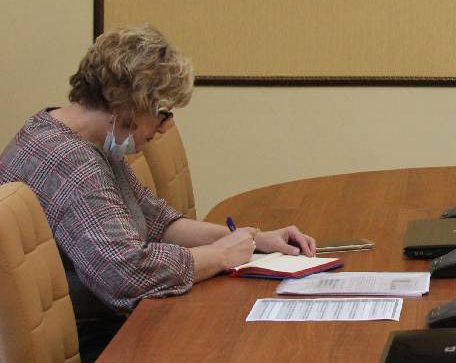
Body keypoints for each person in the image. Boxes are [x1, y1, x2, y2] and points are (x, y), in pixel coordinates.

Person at [0, 25, 316, 361]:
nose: (165, 127)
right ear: (129, 103)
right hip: (96, 339)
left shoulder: (75, 135)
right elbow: (127, 274)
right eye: (162, 113)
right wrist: (221, 255)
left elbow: (156, 221)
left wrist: (253, 239)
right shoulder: (71, 163)